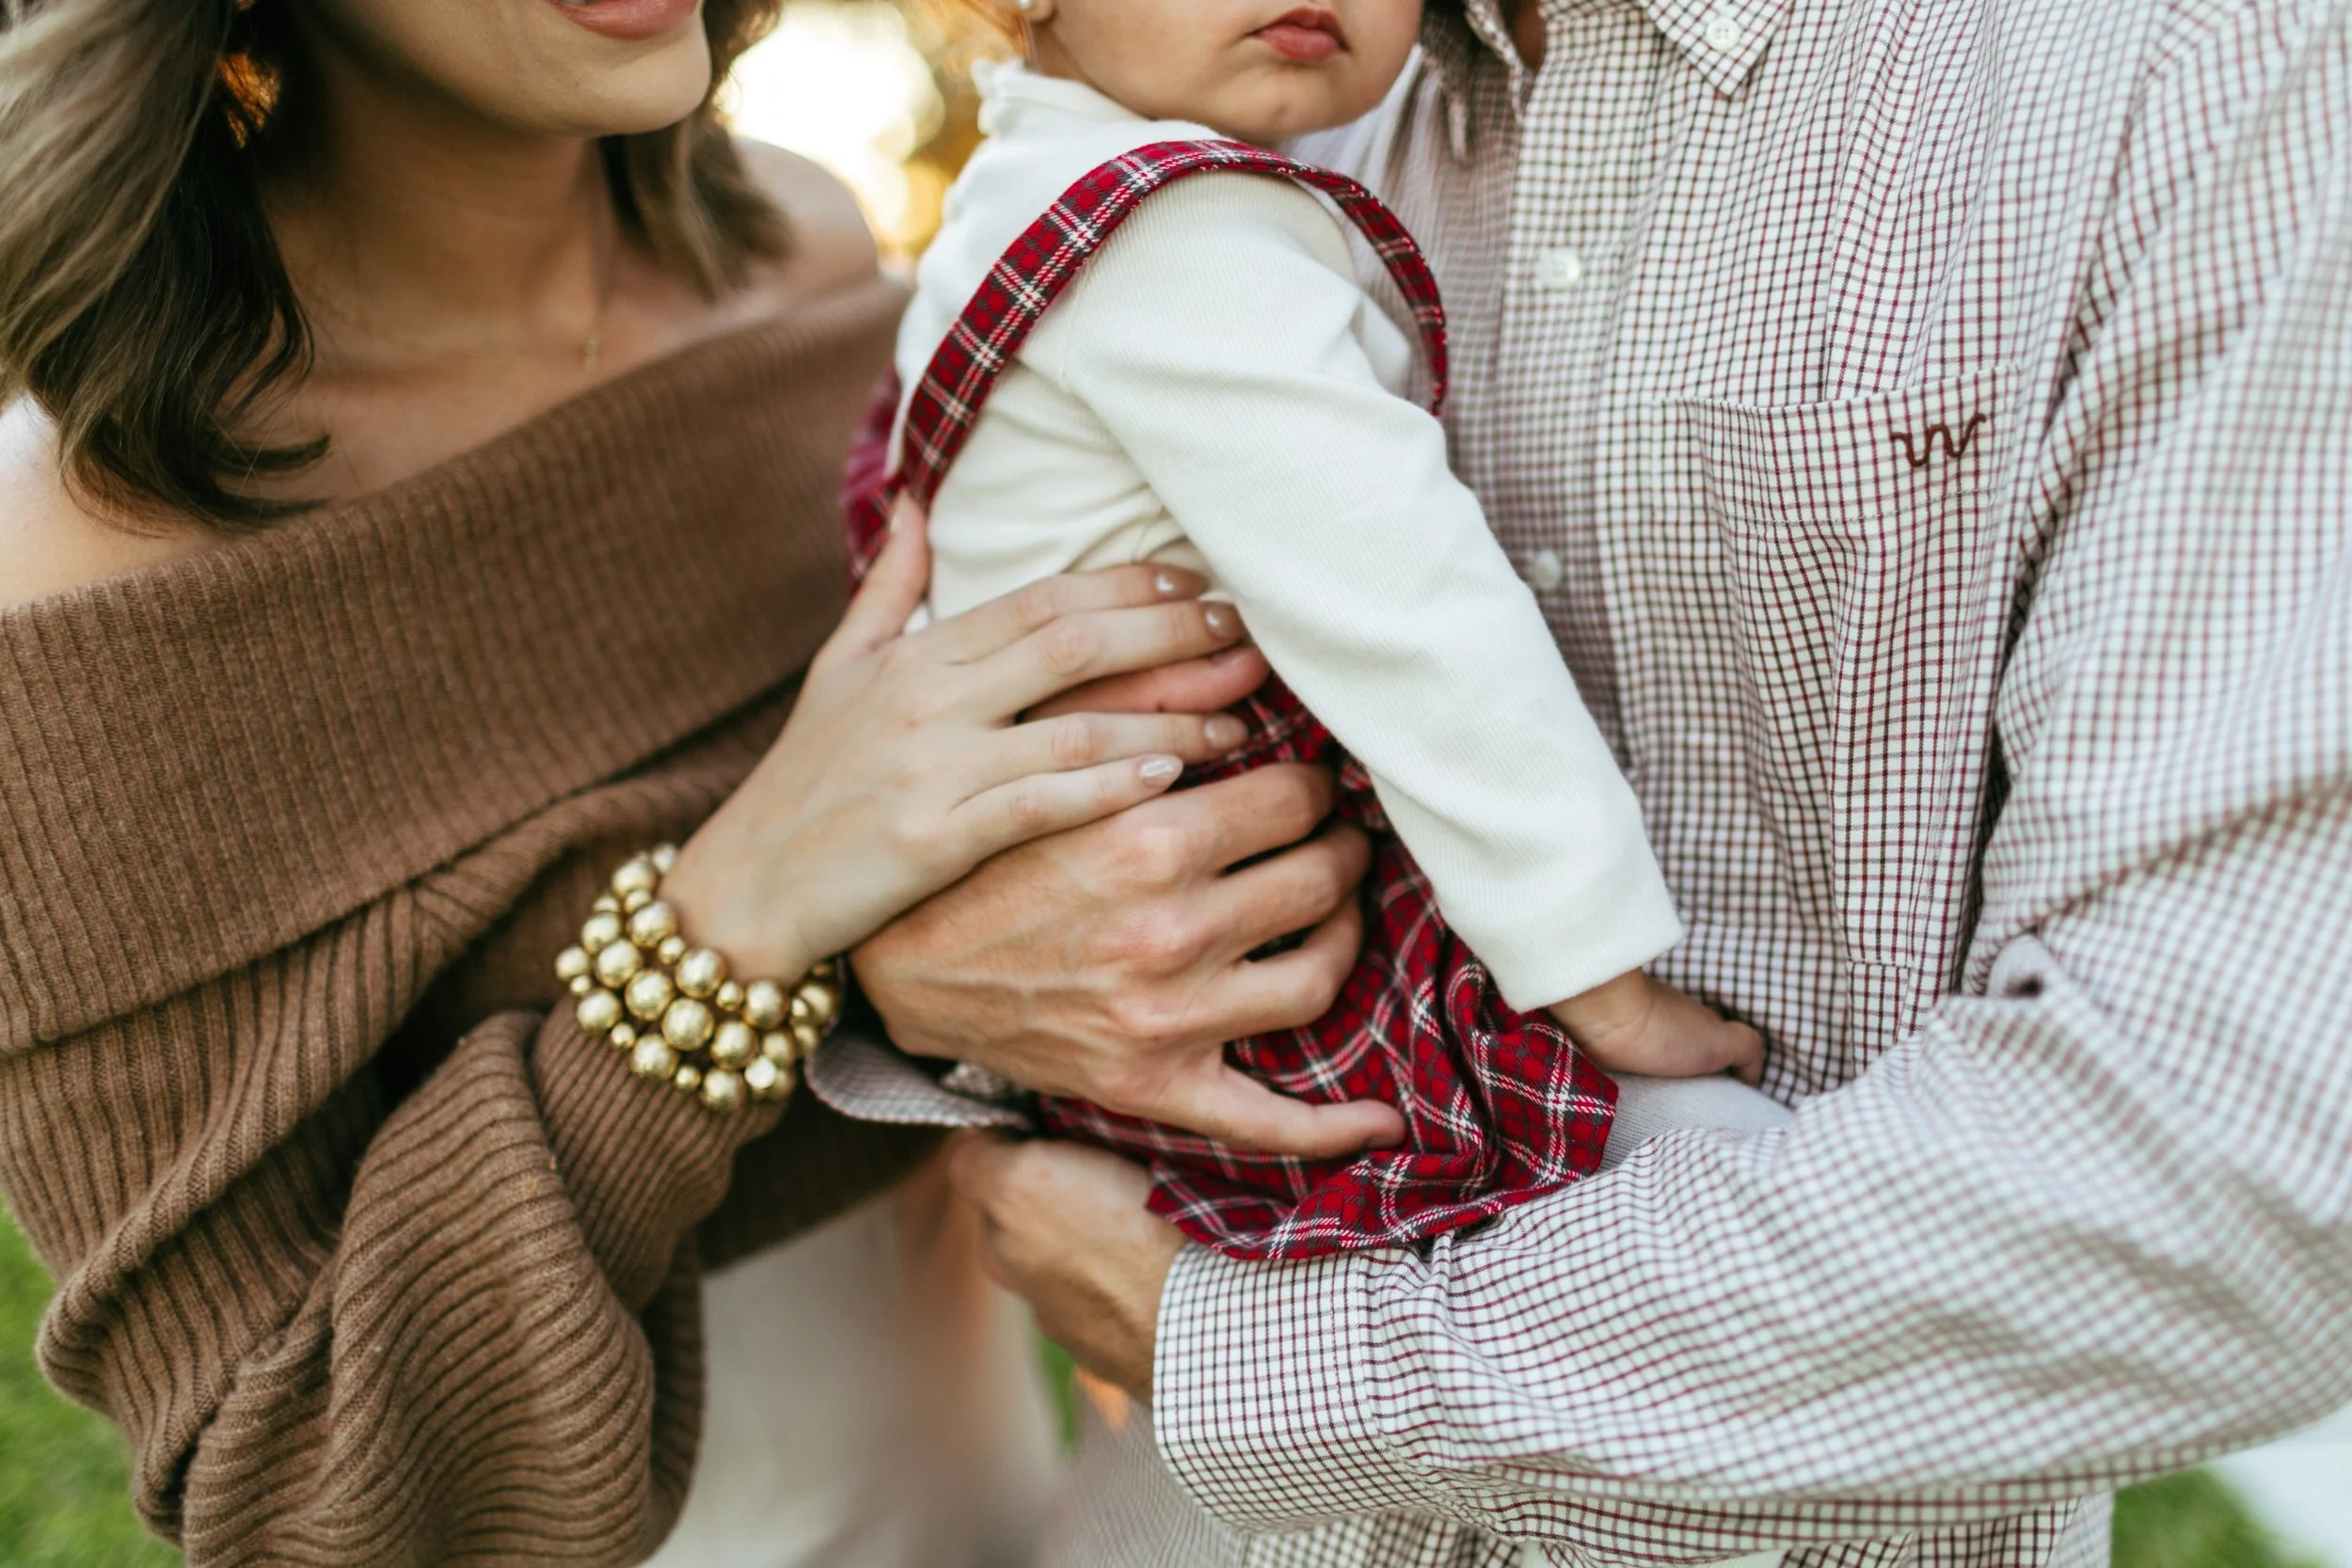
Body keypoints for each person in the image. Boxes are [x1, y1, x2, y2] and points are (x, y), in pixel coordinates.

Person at [844, 0, 2352, 1561]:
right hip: (1212, 1414)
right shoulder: (1228, 180)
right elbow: (1410, 618)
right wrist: (929, 969)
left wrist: (1241, 1351)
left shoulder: (2177, 63)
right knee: (1601, 1105)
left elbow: (2236, 1162)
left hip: (1681, 1484)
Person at [0, 0, 1320, 1561]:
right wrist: (726, 924)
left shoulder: (812, 254)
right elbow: (292, 1484)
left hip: (1051, 1496)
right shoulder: (82, 561)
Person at [849, 0, 1767, 1267]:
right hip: (1261, 949)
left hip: (1135, 962)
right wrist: (1599, 974)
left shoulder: (1016, 201)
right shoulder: (1176, 232)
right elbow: (1410, 611)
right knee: (1712, 1172)